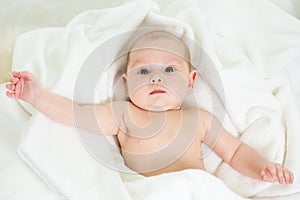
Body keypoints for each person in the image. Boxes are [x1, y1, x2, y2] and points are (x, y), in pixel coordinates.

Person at [6, 31, 294, 184]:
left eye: (170, 69)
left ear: (191, 81)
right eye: (143, 72)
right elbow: (76, 115)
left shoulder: (199, 119)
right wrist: (37, 97)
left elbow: (235, 151)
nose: (156, 77)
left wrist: (262, 169)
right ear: (126, 82)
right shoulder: (123, 114)